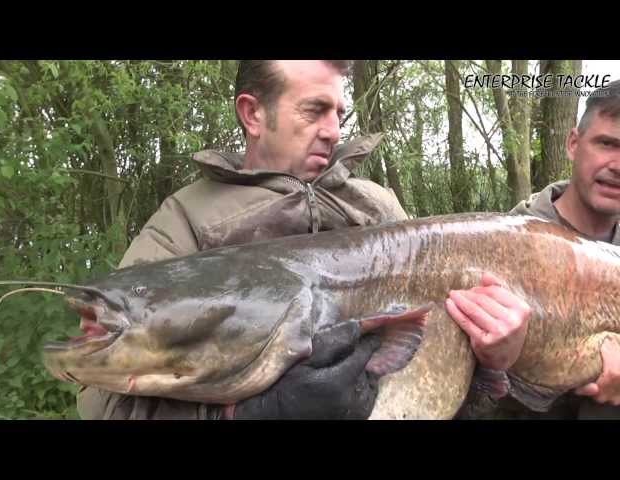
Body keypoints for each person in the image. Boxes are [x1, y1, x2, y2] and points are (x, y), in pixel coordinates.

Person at [77, 60, 530, 420]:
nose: (333, 130)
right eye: (314, 110)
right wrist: (248, 414)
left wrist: (495, 360)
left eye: (338, 113)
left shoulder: (380, 209)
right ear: (253, 113)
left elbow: (438, 358)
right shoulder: (187, 218)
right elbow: (99, 397)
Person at [462, 79, 620, 419]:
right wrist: (504, 365)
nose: (618, 166)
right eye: (608, 144)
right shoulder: (497, 246)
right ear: (574, 144)